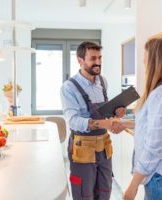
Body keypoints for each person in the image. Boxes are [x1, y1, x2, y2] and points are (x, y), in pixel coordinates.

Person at [113, 38, 162, 200]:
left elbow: (154, 146)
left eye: (145, 60)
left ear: (155, 62)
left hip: (159, 176)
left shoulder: (160, 94)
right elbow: (154, 127)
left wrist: (132, 186)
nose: (144, 65)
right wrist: (124, 123)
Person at [60, 41, 126, 200]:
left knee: (104, 191)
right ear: (80, 60)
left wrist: (116, 112)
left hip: (104, 147)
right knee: (84, 194)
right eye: (93, 58)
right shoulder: (69, 87)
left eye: (100, 58)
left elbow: (105, 112)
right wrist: (103, 123)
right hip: (82, 149)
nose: (98, 62)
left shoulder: (102, 82)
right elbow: (73, 120)